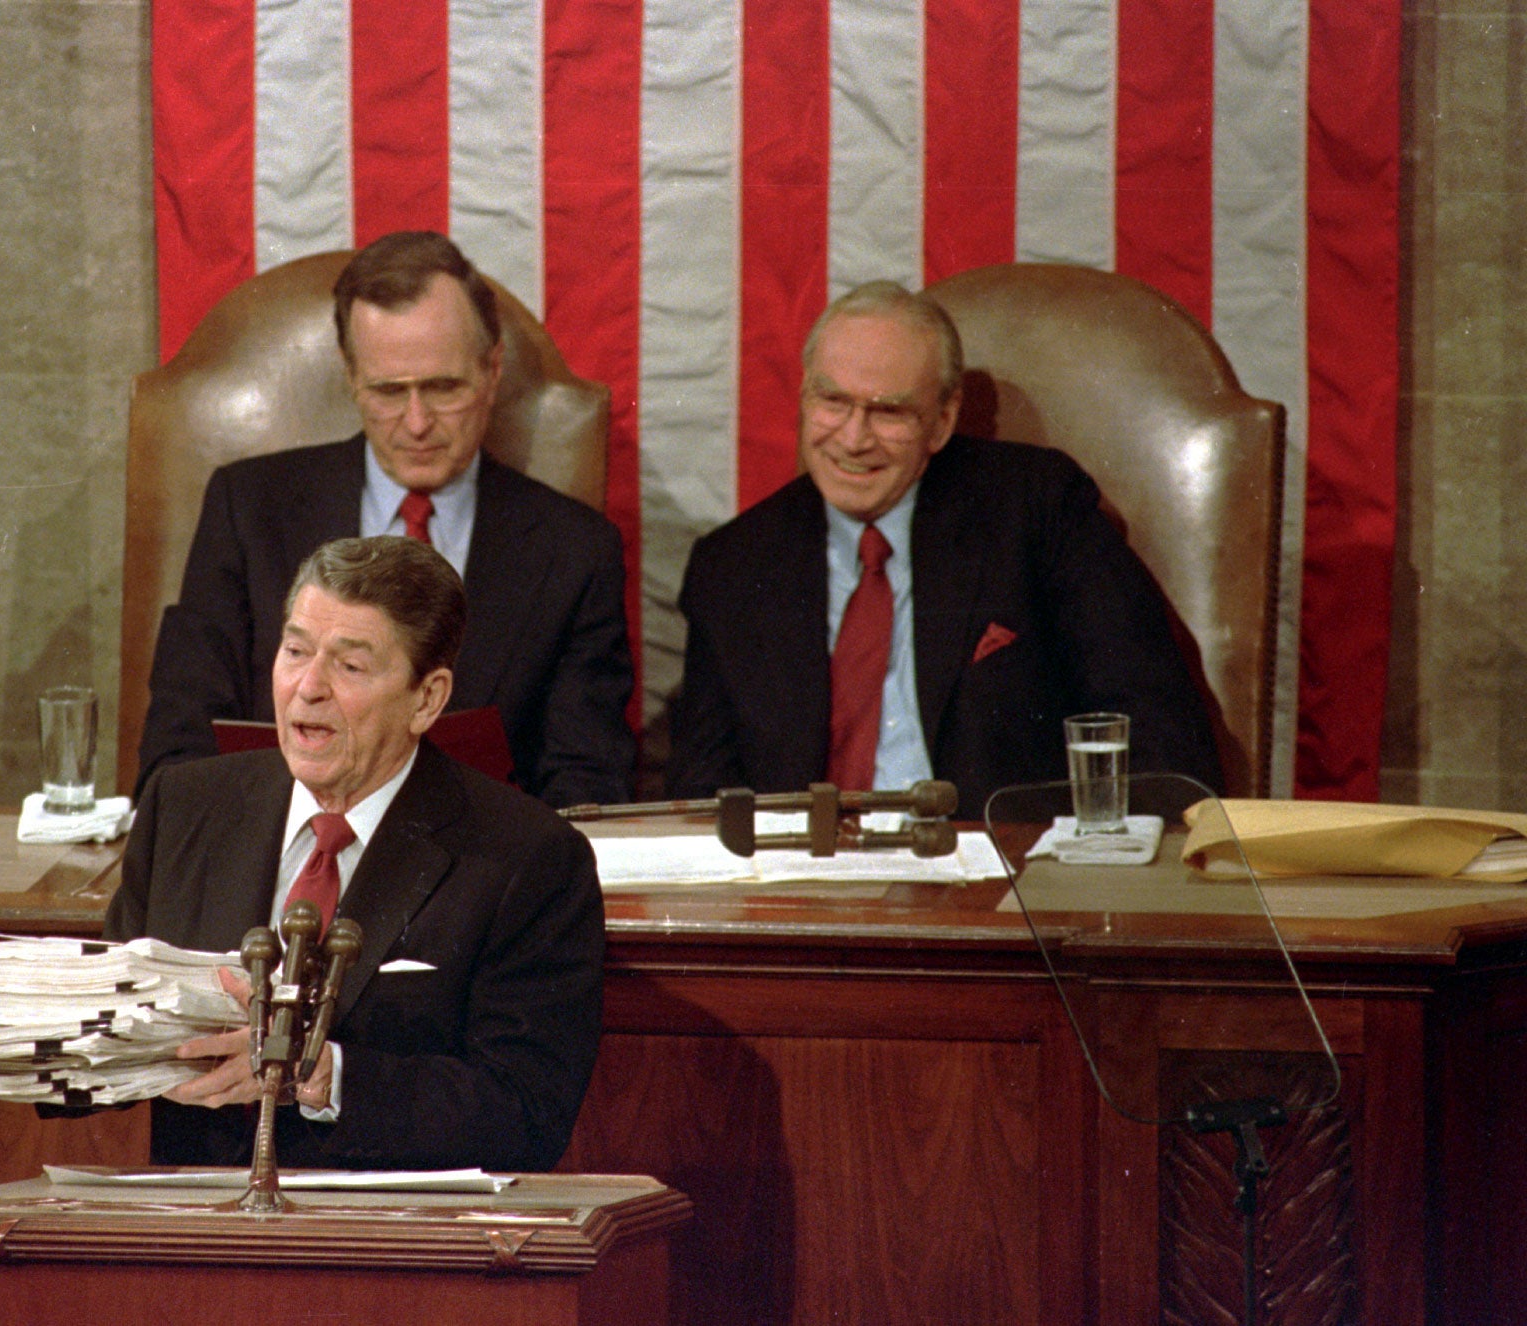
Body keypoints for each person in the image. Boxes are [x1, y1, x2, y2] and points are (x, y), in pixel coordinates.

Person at [108, 535, 605, 1171]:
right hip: (199, 1231)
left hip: (392, 1244)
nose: (307, 687)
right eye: (295, 651)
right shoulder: (183, 807)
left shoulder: (527, 859)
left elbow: (524, 1113)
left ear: (427, 699)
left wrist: (323, 1076)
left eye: (350, 666)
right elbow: (108, 1025)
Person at [667, 281, 1222, 814]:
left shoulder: (1034, 509)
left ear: (942, 421)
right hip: (806, 887)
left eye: (888, 411)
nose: (853, 438)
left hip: (995, 883)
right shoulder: (732, 566)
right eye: (833, 401)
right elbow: (700, 800)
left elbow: (1158, 736)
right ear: (806, 397)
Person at [136, 230, 635, 809]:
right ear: (351, 376)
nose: (417, 423)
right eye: (388, 391)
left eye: (443, 388)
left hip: (481, 880)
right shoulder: (248, 509)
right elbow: (178, 755)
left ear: (493, 370)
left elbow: (588, 788)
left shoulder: (575, 549)